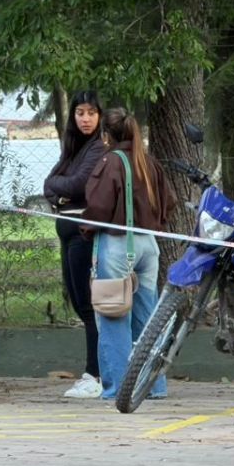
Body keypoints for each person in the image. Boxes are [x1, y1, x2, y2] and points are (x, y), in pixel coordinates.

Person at [82, 107, 177, 401]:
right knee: (147, 316)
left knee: (113, 316)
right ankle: (154, 386)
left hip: (117, 244)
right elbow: (170, 203)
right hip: (149, 244)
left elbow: (98, 207)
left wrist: (85, 227)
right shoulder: (148, 163)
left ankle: (119, 388)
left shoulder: (110, 161)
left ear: (106, 135)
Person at [43, 91, 107, 398]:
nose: (85, 119)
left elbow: (77, 184)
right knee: (79, 304)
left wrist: (58, 186)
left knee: (89, 305)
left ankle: (95, 374)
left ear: (100, 116)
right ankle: (96, 371)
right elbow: (50, 185)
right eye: (80, 112)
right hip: (67, 232)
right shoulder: (72, 148)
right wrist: (58, 187)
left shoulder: (97, 149)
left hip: (84, 233)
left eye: (91, 113)